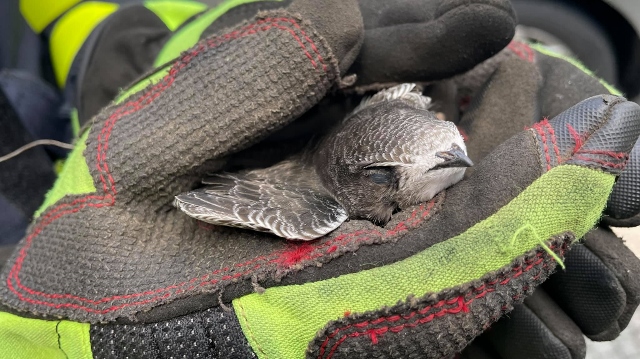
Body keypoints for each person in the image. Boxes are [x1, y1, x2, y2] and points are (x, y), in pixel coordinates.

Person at [0, 1, 638, 358]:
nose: (454, 163)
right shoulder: (305, 201)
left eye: (453, 144)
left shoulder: (414, 122)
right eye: (391, 174)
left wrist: (173, 55)